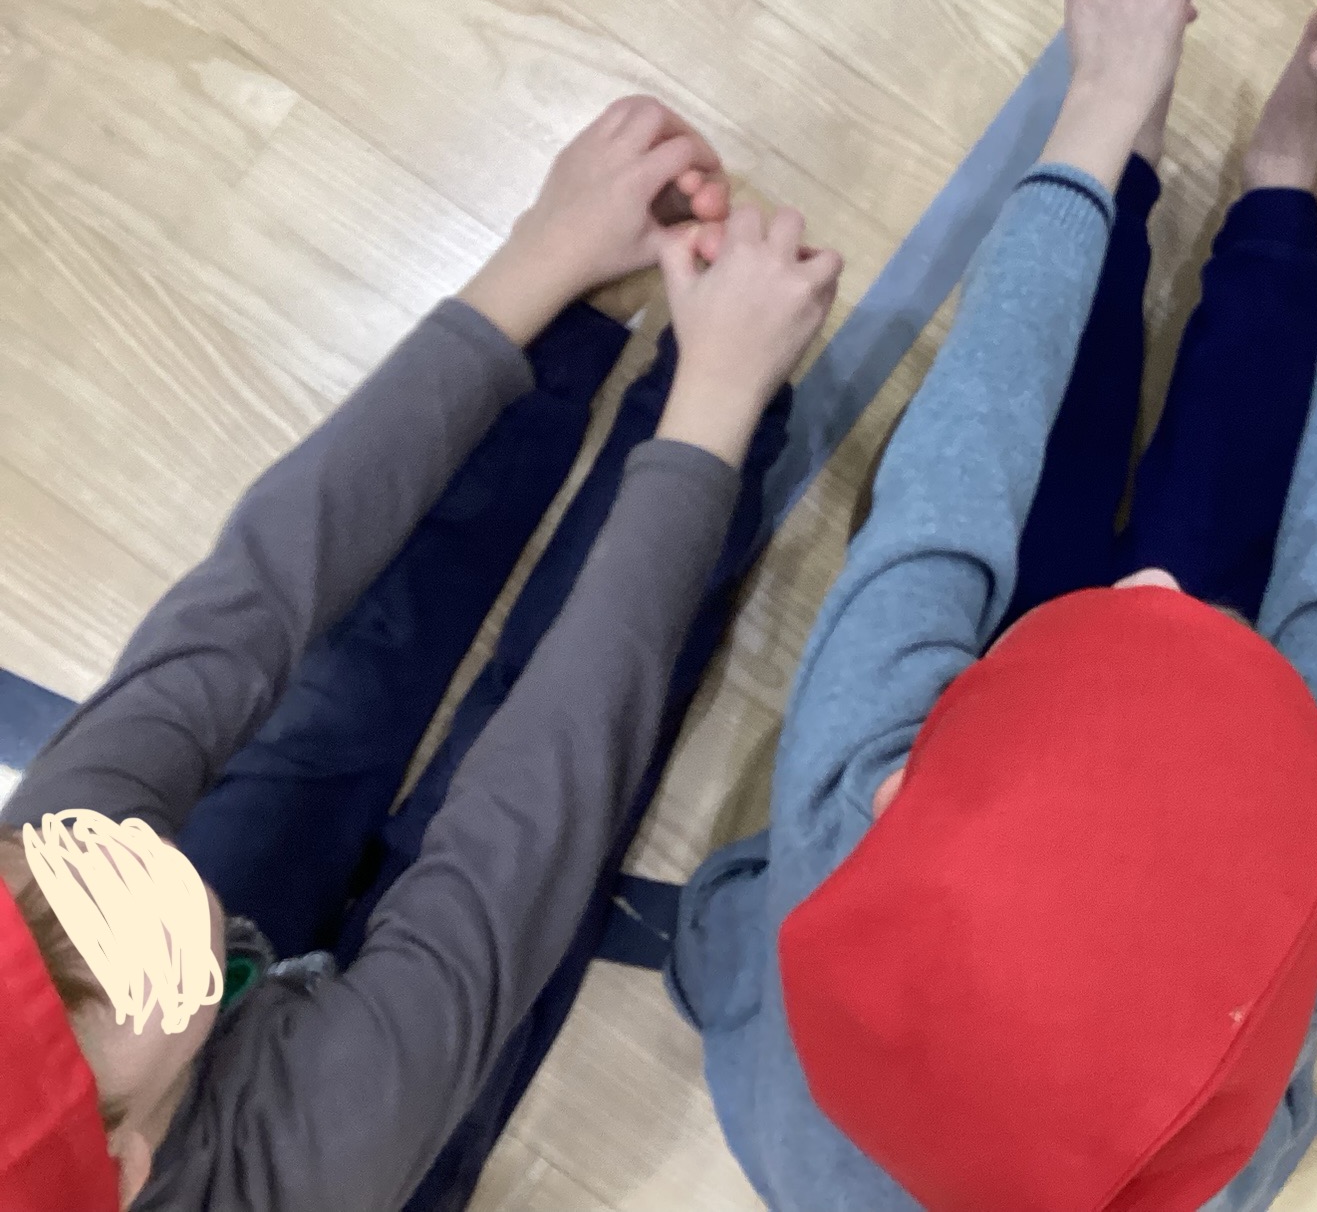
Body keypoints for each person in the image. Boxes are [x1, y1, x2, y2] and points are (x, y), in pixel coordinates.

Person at [664, 0, 1317, 1210]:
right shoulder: (1287, 938)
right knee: (1228, 529)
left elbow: (973, 440)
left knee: (1025, 465)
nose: (1148, 588)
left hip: (832, 994)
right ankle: (1276, 191)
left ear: (894, 796)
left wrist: (1103, 104)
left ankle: (1149, 176)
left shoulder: (845, 803)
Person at [1, 97, 841, 1212]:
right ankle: (690, 403)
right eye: (161, 942)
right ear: (125, 1171)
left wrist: (536, 269)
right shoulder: (315, 1158)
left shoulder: (47, 892)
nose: (132, 863)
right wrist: (716, 406)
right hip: (339, 1149)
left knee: (328, 701)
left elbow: (248, 600)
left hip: (192, 1075)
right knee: (527, 884)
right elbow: (536, 813)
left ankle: (569, 350)